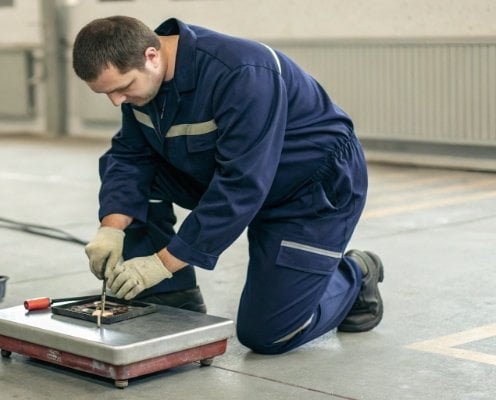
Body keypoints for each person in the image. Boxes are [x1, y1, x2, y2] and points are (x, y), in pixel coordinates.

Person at [73, 16, 384, 355]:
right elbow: (131, 156)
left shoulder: (243, 73)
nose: (117, 101)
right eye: (107, 93)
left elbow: (241, 186)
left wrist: (160, 263)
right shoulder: (143, 83)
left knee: (269, 335)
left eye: (122, 88)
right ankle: (173, 296)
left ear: (151, 55)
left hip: (307, 190)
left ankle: (356, 273)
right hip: (224, 173)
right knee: (129, 178)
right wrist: (112, 228)